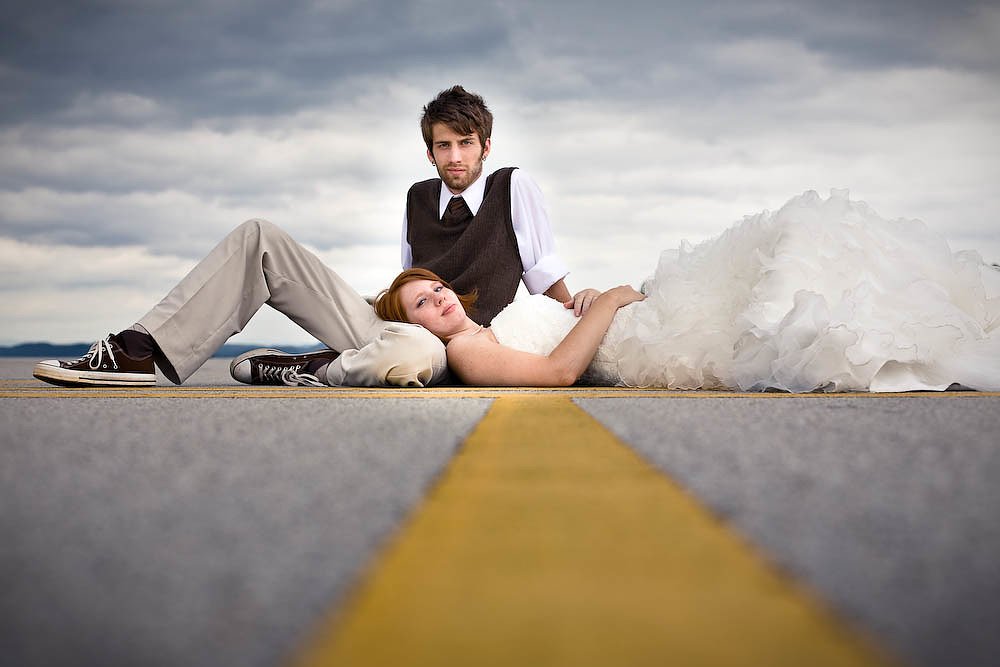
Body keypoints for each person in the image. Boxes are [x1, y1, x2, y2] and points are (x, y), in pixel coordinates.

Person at [33, 85, 584, 389]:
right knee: (260, 237)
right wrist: (361, 312)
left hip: (458, 349)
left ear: (486, 145)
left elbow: (544, 276)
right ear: (430, 151)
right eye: (444, 146)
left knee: (415, 354)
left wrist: (575, 317)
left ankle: (310, 367)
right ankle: (137, 351)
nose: (456, 156)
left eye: (466, 143)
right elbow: (403, 287)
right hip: (396, 324)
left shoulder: (514, 187)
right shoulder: (417, 199)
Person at [374, 190, 1000, 392]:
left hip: (618, 321)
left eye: (433, 287)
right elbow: (560, 371)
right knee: (780, 288)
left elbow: (555, 327)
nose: (439, 298)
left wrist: (581, 298)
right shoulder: (464, 353)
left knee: (792, 242)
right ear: (419, 330)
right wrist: (615, 301)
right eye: (422, 305)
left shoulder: (484, 327)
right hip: (637, 344)